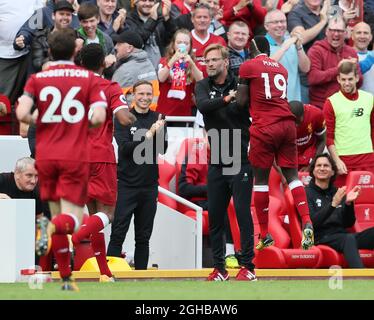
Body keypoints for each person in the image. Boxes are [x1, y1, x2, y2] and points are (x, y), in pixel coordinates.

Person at [16, 28, 107, 291]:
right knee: (72, 220)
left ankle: (66, 279)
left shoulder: (38, 78)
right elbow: (99, 116)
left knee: (56, 214)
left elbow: (22, 112)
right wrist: (77, 122)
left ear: (50, 50)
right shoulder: (88, 78)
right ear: (75, 51)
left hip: (46, 156)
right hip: (74, 156)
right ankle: (48, 228)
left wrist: (42, 120)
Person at [237, 35, 314, 251]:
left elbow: (242, 102)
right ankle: (307, 219)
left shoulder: (248, 66)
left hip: (265, 127)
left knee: (260, 180)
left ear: (252, 48)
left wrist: (239, 91)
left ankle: (264, 233)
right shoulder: (281, 69)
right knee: (293, 176)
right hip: (287, 125)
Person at [71, 43, 135, 282]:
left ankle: (104, 273)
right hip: (100, 155)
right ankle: (74, 239)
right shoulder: (109, 86)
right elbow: (122, 117)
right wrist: (132, 115)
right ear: (102, 64)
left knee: (93, 215)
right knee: (108, 213)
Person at [195, 44, 255, 281]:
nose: (208, 64)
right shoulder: (202, 85)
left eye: (213, 60)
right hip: (217, 158)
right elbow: (203, 105)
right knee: (216, 215)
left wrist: (231, 98)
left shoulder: (240, 82)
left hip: (240, 156)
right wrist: (227, 99)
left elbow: (242, 106)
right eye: (206, 60)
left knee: (241, 213)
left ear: (225, 62)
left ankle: (248, 266)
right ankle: (220, 268)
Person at [107, 80, 168, 270]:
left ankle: (140, 276)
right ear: (132, 95)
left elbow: (162, 149)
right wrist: (149, 134)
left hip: (149, 186)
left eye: (149, 94)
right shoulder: (124, 117)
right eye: (141, 94)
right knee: (118, 232)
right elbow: (125, 149)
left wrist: (158, 133)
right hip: (126, 185)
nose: (145, 98)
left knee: (143, 236)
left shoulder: (158, 116)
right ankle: (109, 273)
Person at [306, 153, 374, 268]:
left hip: (342, 236)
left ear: (332, 172)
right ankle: (361, 279)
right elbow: (312, 224)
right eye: (318, 166)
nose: (322, 168)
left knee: (354, 236)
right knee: (348, 238)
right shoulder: (306, 193)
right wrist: (333, 204)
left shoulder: (338, 192)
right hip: (321, 238)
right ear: (313, 171)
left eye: (326, 166)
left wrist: (348, 204)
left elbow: (348, 223)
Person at [323, 60, 374, 187]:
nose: (347, 83)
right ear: (338, 79)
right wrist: (337, 161)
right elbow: (328, 137)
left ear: (357, 78)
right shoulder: (331, 102)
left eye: (350, 79)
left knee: (367, 202)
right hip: (344, 161)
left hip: (367, 158)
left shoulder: (369, 99)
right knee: (343, 203)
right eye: (343, 79)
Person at [307, 15, 362, 109]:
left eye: (340, 31)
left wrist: (354, 70)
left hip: (346, 105)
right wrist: (340, 69)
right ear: (326, 31)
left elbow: (359, 82)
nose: (336, 34)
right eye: (332, 30)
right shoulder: (316, 50)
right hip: (322, 106)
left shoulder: (351, 52)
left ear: (345, 33)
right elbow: (313, 78)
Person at [287, 0, 331, 103]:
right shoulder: (296, 12)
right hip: (307, 79)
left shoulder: (332, 10)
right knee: (308, 117)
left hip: (331, 76)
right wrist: (323, 21)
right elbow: (300, 38)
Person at [264, 9, 310, 102]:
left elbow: (306, 68)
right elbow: (264, 67)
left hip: (294, 101)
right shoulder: (261, 42)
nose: (280, 25)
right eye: (275, 22)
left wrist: (299, 47)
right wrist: (284, 47)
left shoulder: (292, 41)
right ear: (266, 26)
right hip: (272, 103)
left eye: (283, 21)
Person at [157, 29, 203, 118]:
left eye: (186, 43)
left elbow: (201, 80)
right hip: (164, 112)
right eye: (179, 42)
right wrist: (174, 59)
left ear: (190, 46)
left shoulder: (194, 63)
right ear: (173, 44)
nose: (182, 45)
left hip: (184, 114)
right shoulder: (164, 60)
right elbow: (161, 78)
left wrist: (192, 64)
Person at [111, 30, 158, 109]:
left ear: (129, 48)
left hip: (131, 118)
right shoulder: (149, 63)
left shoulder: (125, 70)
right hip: (150, 116)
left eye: (119, 44)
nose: (115, 47)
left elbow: (112, 98)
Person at [31, 1, 75, 72]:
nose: (65, 17)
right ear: (53, 16)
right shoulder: (41, 37)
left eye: (68, 14)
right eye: (61, 14)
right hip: (48, 78)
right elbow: (38, 64)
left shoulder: (78, 37)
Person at [289, 101, 326, 172]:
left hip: (309, 152)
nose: (296, 125)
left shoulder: (316, 114)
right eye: (292, 121)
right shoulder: (280, 120)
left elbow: (322, 140)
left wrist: (312, 165)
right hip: (290, 154)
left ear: (303, 114)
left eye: (297, 121)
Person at [352, 22, 374, 95]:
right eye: (358, 33)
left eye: (365, 33)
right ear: (352, 36)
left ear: (370, 37)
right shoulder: (346, 55)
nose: (362, 36)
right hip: (357, 104)